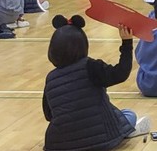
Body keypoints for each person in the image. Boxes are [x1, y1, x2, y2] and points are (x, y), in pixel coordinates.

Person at [43, 15, 150, 149]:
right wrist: (127, 43)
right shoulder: (91, 66)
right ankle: (129, 131)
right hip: (101, 139)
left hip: (59, 144)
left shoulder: (50, 78)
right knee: (129, 115)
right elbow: (121, 73)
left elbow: (49, 115)